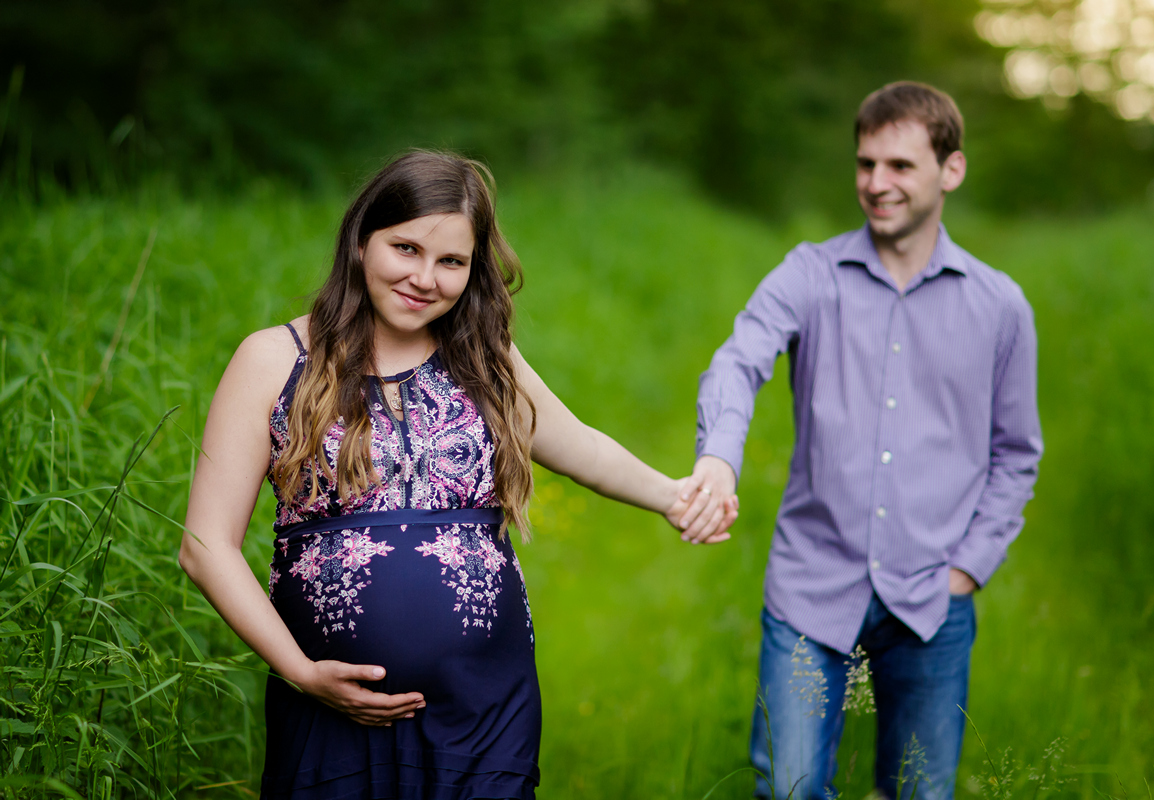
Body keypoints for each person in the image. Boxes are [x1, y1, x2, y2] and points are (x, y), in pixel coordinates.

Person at [178, 150, 736, 800]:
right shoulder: (276, 360)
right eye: (406, 248)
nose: (424, 277)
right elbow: (205, 545)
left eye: (451, 261)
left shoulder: (481, 358)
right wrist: (301, 673)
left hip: (485, 714)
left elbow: (578, 444)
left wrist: (674, 497)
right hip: (328, 711)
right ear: (361, 242)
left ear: (473, 271)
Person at [677, 82, 1043, 799]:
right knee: (789, 788)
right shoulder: (810, 275)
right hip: (813, 585)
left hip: (935, 595)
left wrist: (969, 567)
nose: (877, 184)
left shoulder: (1000, 306)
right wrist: (717, 459)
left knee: (919, 791)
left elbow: (1017, 452)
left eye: (901, 166)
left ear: (952, 170)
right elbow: (738, 359)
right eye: (866, 164)